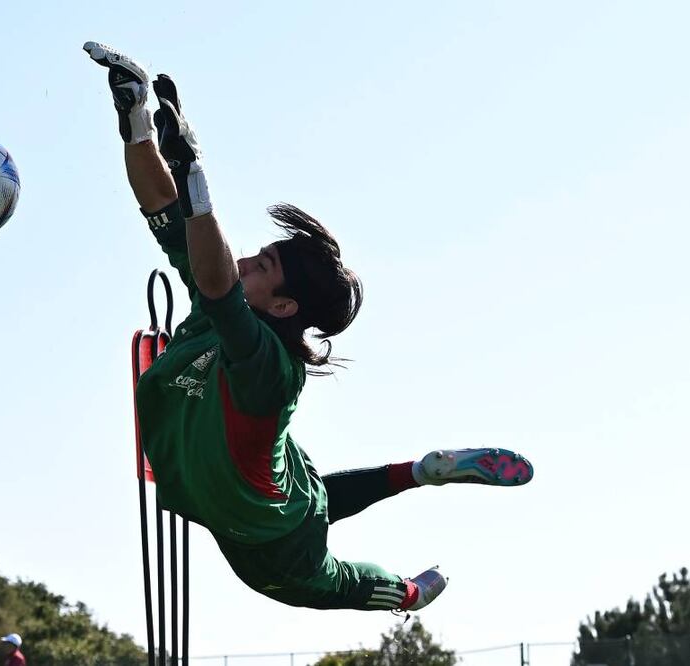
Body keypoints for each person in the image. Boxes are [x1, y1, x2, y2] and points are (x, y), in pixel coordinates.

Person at [83, 41, 534, 612]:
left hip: (268, 530)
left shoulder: (269, 368)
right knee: (318, 519)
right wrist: (135, 119)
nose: (245, 261)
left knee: (333, 563)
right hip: (264, 519)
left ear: (284, 308)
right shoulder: (218, 299)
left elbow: (219, 278)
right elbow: (161, 207)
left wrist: (195, 172)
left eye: (263, 265)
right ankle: (422, 481)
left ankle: (413, 565)